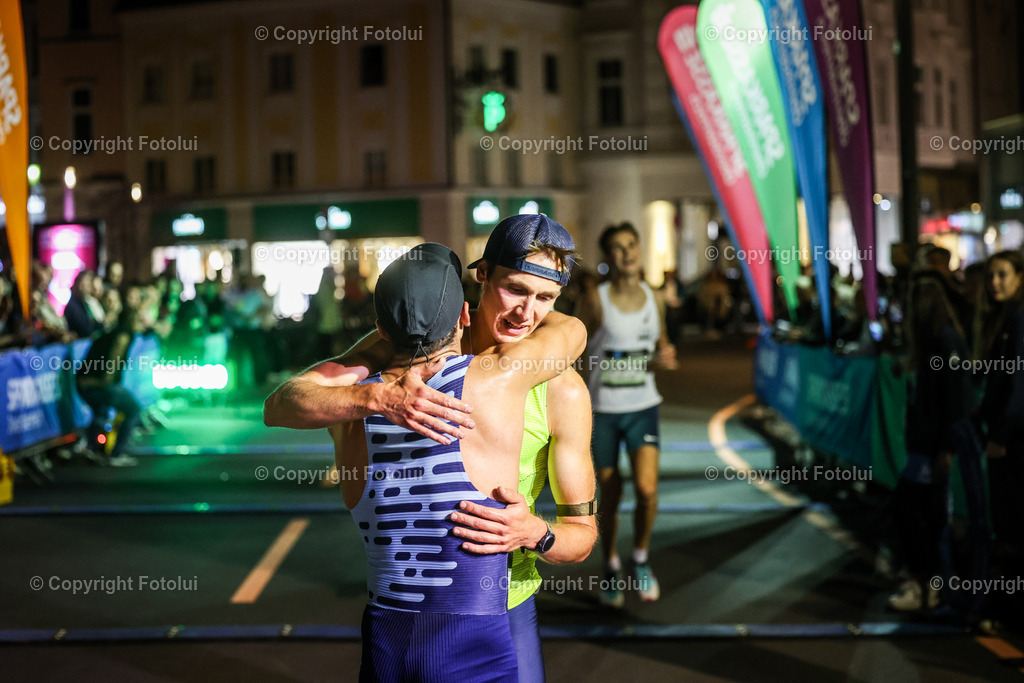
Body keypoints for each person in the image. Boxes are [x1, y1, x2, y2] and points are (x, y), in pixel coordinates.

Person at [265, 214, 597, 682]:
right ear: (481, 278)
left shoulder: (561, 389)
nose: (527, 313)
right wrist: (378, 397)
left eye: (546, 298)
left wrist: (534, 533)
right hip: (427, 614)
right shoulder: (404, 349)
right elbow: (285, 401)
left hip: (507, 605)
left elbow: (581, 538)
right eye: (515, 290)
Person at [579, 222, 677, 606]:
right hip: (603, 410)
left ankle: (640, 557)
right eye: (618, 247)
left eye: (632, 244)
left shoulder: (655, 298)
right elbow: (573, 347)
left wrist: (663, 358)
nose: (627, 253)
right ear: (608, 257)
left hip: (642, 407)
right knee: (611, 494)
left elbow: (661, 346)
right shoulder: (596, 299)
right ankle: (610, 566)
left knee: (648, 490)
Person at [887, 270, 980, 614]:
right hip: (926, 446)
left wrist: (945, 448)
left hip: (933, 449)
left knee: (916, 512)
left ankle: (928, 584)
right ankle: (929, 584)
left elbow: (954, 398)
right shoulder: (933, 344)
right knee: (922, 514)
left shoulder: (945, 342)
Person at [973, 251, 1024, 578]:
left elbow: (1018, 382)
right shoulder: (1007, 316)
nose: (994, 282)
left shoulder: (1019, 318)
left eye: (1002, 274)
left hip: (1014, 439)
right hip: (1006, 432)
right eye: (990, 275)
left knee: (1012, 519)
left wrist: (1001, 436)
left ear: (1020, 277)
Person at [75, 308, 145, 467]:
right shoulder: (123, 336)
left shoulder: (113, 334)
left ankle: (92, 448)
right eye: (139, 320)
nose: (142, 323)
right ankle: (117, 453)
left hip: (84, 382)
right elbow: (111, 367)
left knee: (101, 411)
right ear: (131, 321)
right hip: (95, 384)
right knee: (133, 409)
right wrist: (106, 383)